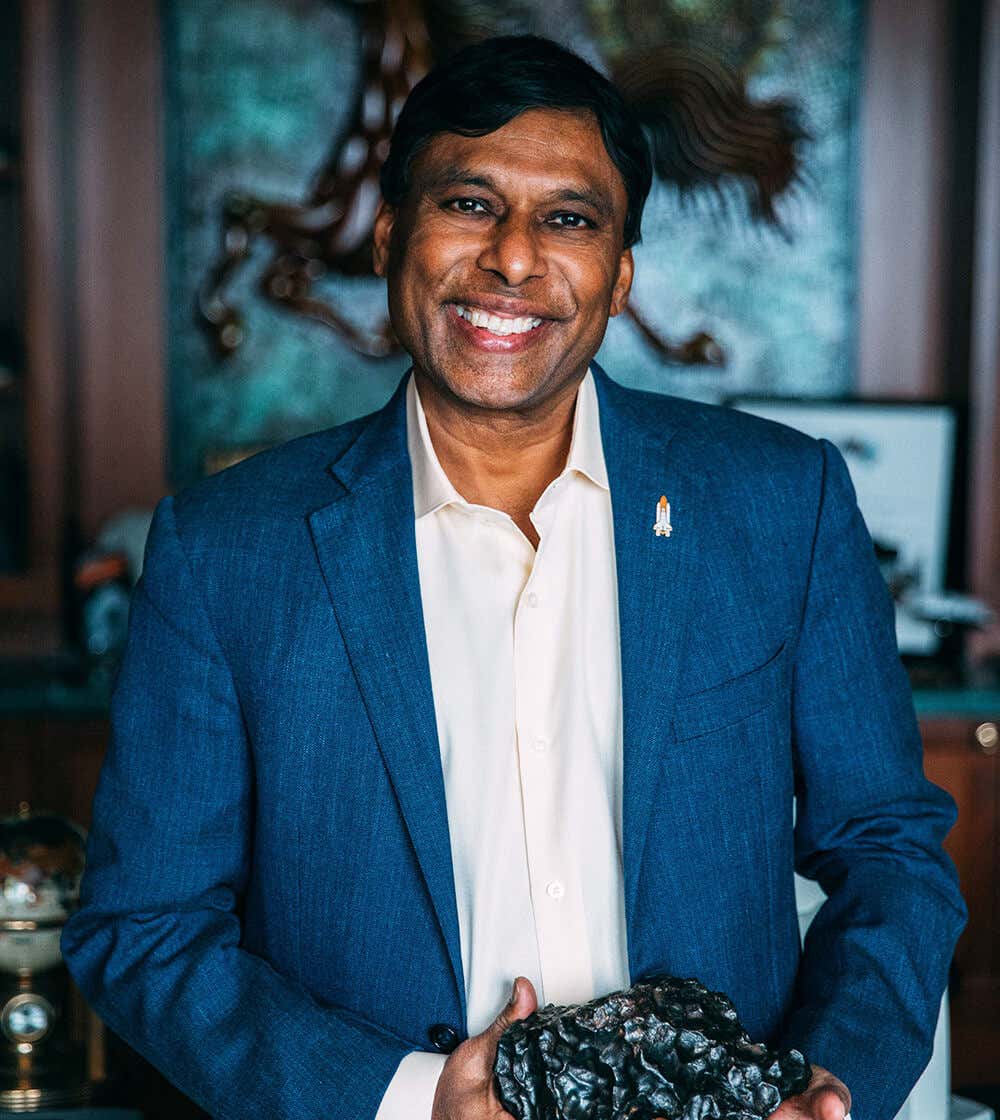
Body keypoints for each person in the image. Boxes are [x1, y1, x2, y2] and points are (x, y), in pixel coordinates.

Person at [61, 35, 966, 1120]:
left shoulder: (780, 505)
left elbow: (887, 847)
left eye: (570, 219)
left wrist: (833, 1079)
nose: (513, 258)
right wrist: (407, 1098)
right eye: (471, 204)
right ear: (394, 234)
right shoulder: (225, 551)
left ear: (620, 275)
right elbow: (143, 927)